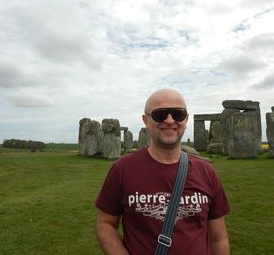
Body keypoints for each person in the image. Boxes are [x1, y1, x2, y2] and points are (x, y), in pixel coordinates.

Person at [95, 89, 230, 255]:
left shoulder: (207, 172)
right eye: (160, 114)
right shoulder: (122, 170)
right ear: (145, 120)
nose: (170, 120)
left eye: (178, 114)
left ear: (186, 119)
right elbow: (105, 224)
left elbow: (219, 237)